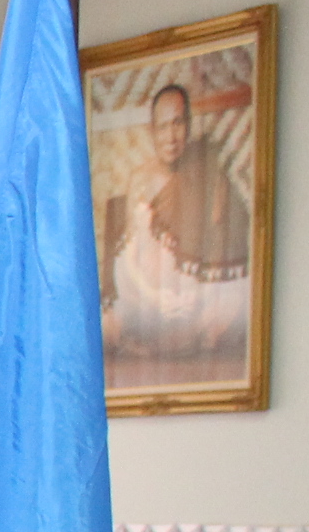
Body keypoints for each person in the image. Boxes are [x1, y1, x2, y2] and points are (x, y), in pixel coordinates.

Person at [102, 79, 255, 383]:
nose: (171, 136)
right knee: (108, 327)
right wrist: (156, 297)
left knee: (237, 306)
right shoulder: (142, 180)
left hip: (190, 294)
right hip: (144, 295)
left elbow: (220, 245)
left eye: (178, 124)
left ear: (188, 125)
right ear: (152, 131)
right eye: (162, 127)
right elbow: (126, 262)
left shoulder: (206, 170)